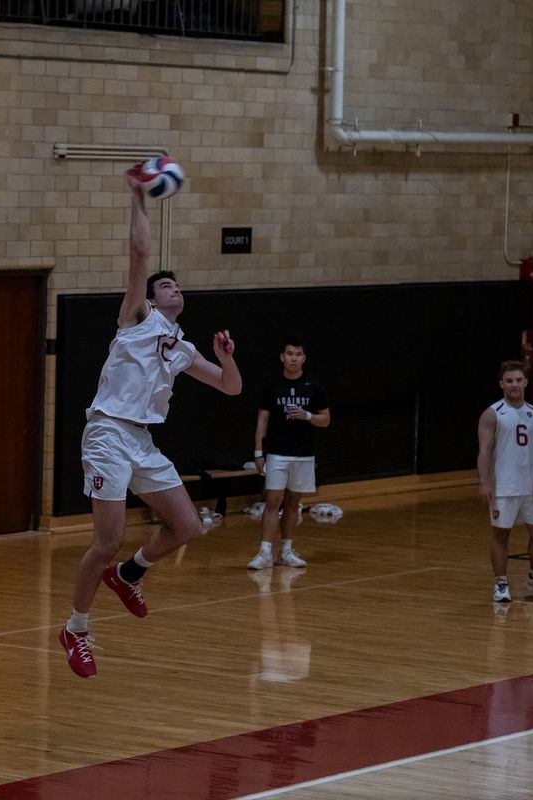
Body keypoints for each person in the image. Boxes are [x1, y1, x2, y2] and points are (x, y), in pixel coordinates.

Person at [59, 164, 243, 679]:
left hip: (141, 441)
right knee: (106, 540)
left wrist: (226, 358)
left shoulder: (181, 347)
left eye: (177, 284)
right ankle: (75, 629)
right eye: (166, 284)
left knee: (188, 526)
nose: (173, 287)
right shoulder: (137, 318)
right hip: (107, 433)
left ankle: (129, 575)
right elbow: (140, 253)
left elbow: (231, 388)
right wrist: (138, 197)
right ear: (152, 297)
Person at [476, 360, 533, 603]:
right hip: (503, 488)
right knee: (501, 536)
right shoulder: (492, 414)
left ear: (526, 382)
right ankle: (501, 583)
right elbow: (484, 451)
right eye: (509, 380)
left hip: (531, 488)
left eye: (518, 380)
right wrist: (484, 482)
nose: (514, 384)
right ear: (501, 384)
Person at [247, 336, 330, 570]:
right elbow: (262, 420)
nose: (294, 358)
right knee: (273, 500)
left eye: (298, 354)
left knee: (293, 503)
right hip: (277, 452)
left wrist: (307, 415)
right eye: (290, 354)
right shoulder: (272, 385)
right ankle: (264, 552)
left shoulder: (314, 386)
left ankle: (286, 551)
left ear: (304, 358)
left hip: (304, 454)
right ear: (282, 357)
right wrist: (258, 452)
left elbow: (326, 419)